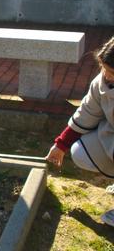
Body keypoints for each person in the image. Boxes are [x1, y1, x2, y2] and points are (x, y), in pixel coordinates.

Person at [46, 36, 114, 227]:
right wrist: (61, 144)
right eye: (104, 69)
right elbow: (86, 112)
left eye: (112, 72)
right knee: (80, 152)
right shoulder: (101, 83)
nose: (106, 76)